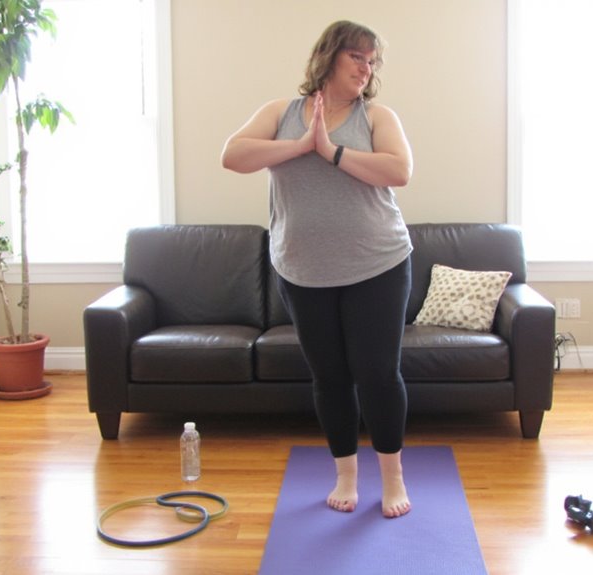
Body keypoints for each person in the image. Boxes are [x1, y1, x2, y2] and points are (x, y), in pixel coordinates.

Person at [222, 20, 414, 518]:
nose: (365, 67)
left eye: (371, 61)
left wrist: (332, 152)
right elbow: (234, 156)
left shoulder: (376, 117)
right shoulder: (280, 113)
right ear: (329, 56)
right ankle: (346, 475)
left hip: (378, 265)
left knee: (377, 374)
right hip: (303, 272)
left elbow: (399, 171)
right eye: (357, 56)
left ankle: (392, 480)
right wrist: (302, 145)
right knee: (330, 377)